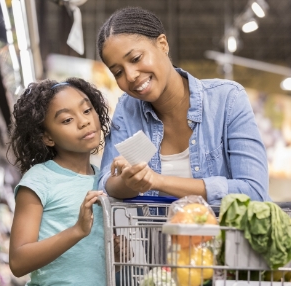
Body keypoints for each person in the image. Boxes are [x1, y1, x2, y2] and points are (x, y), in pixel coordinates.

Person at [96, 7, 270, 205]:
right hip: (154, 237)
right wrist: (128, 181)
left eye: (136, 59)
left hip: (227, 236)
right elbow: (105, 186)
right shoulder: (127, 110)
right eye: (118, 72)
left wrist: (158, 181)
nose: (130, 76)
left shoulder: (227, 100)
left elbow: (254, 191)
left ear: (162, 44)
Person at [8, 78, 116, 286]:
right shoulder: (39, 179)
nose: (84, 121)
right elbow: (18, 262)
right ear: (47, 137)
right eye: (67, 119)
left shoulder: (104, 179)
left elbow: (88, 267)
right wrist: (77, 230)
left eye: (87, 110)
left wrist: (119, 252)